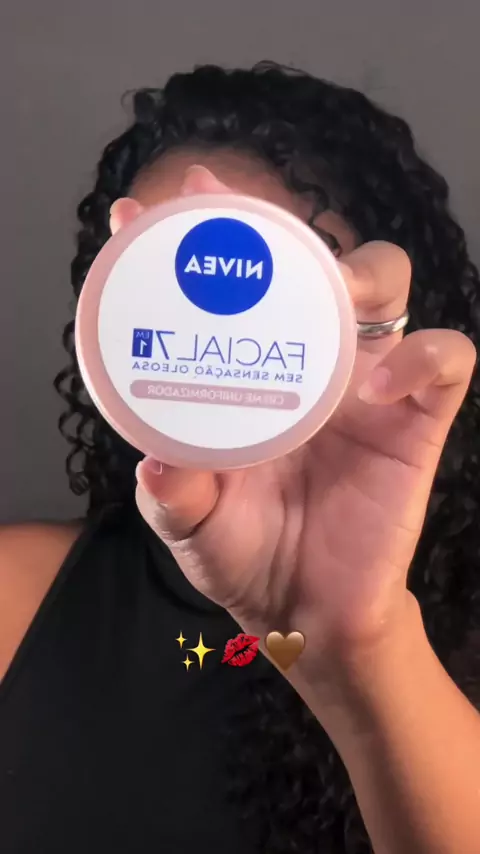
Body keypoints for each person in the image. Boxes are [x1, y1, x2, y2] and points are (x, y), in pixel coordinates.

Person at [1, 61, 479, 854]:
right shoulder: (15, 597)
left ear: (377, 316)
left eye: (294, 267)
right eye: (164, 260)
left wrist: (364, 647)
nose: (222, 321)